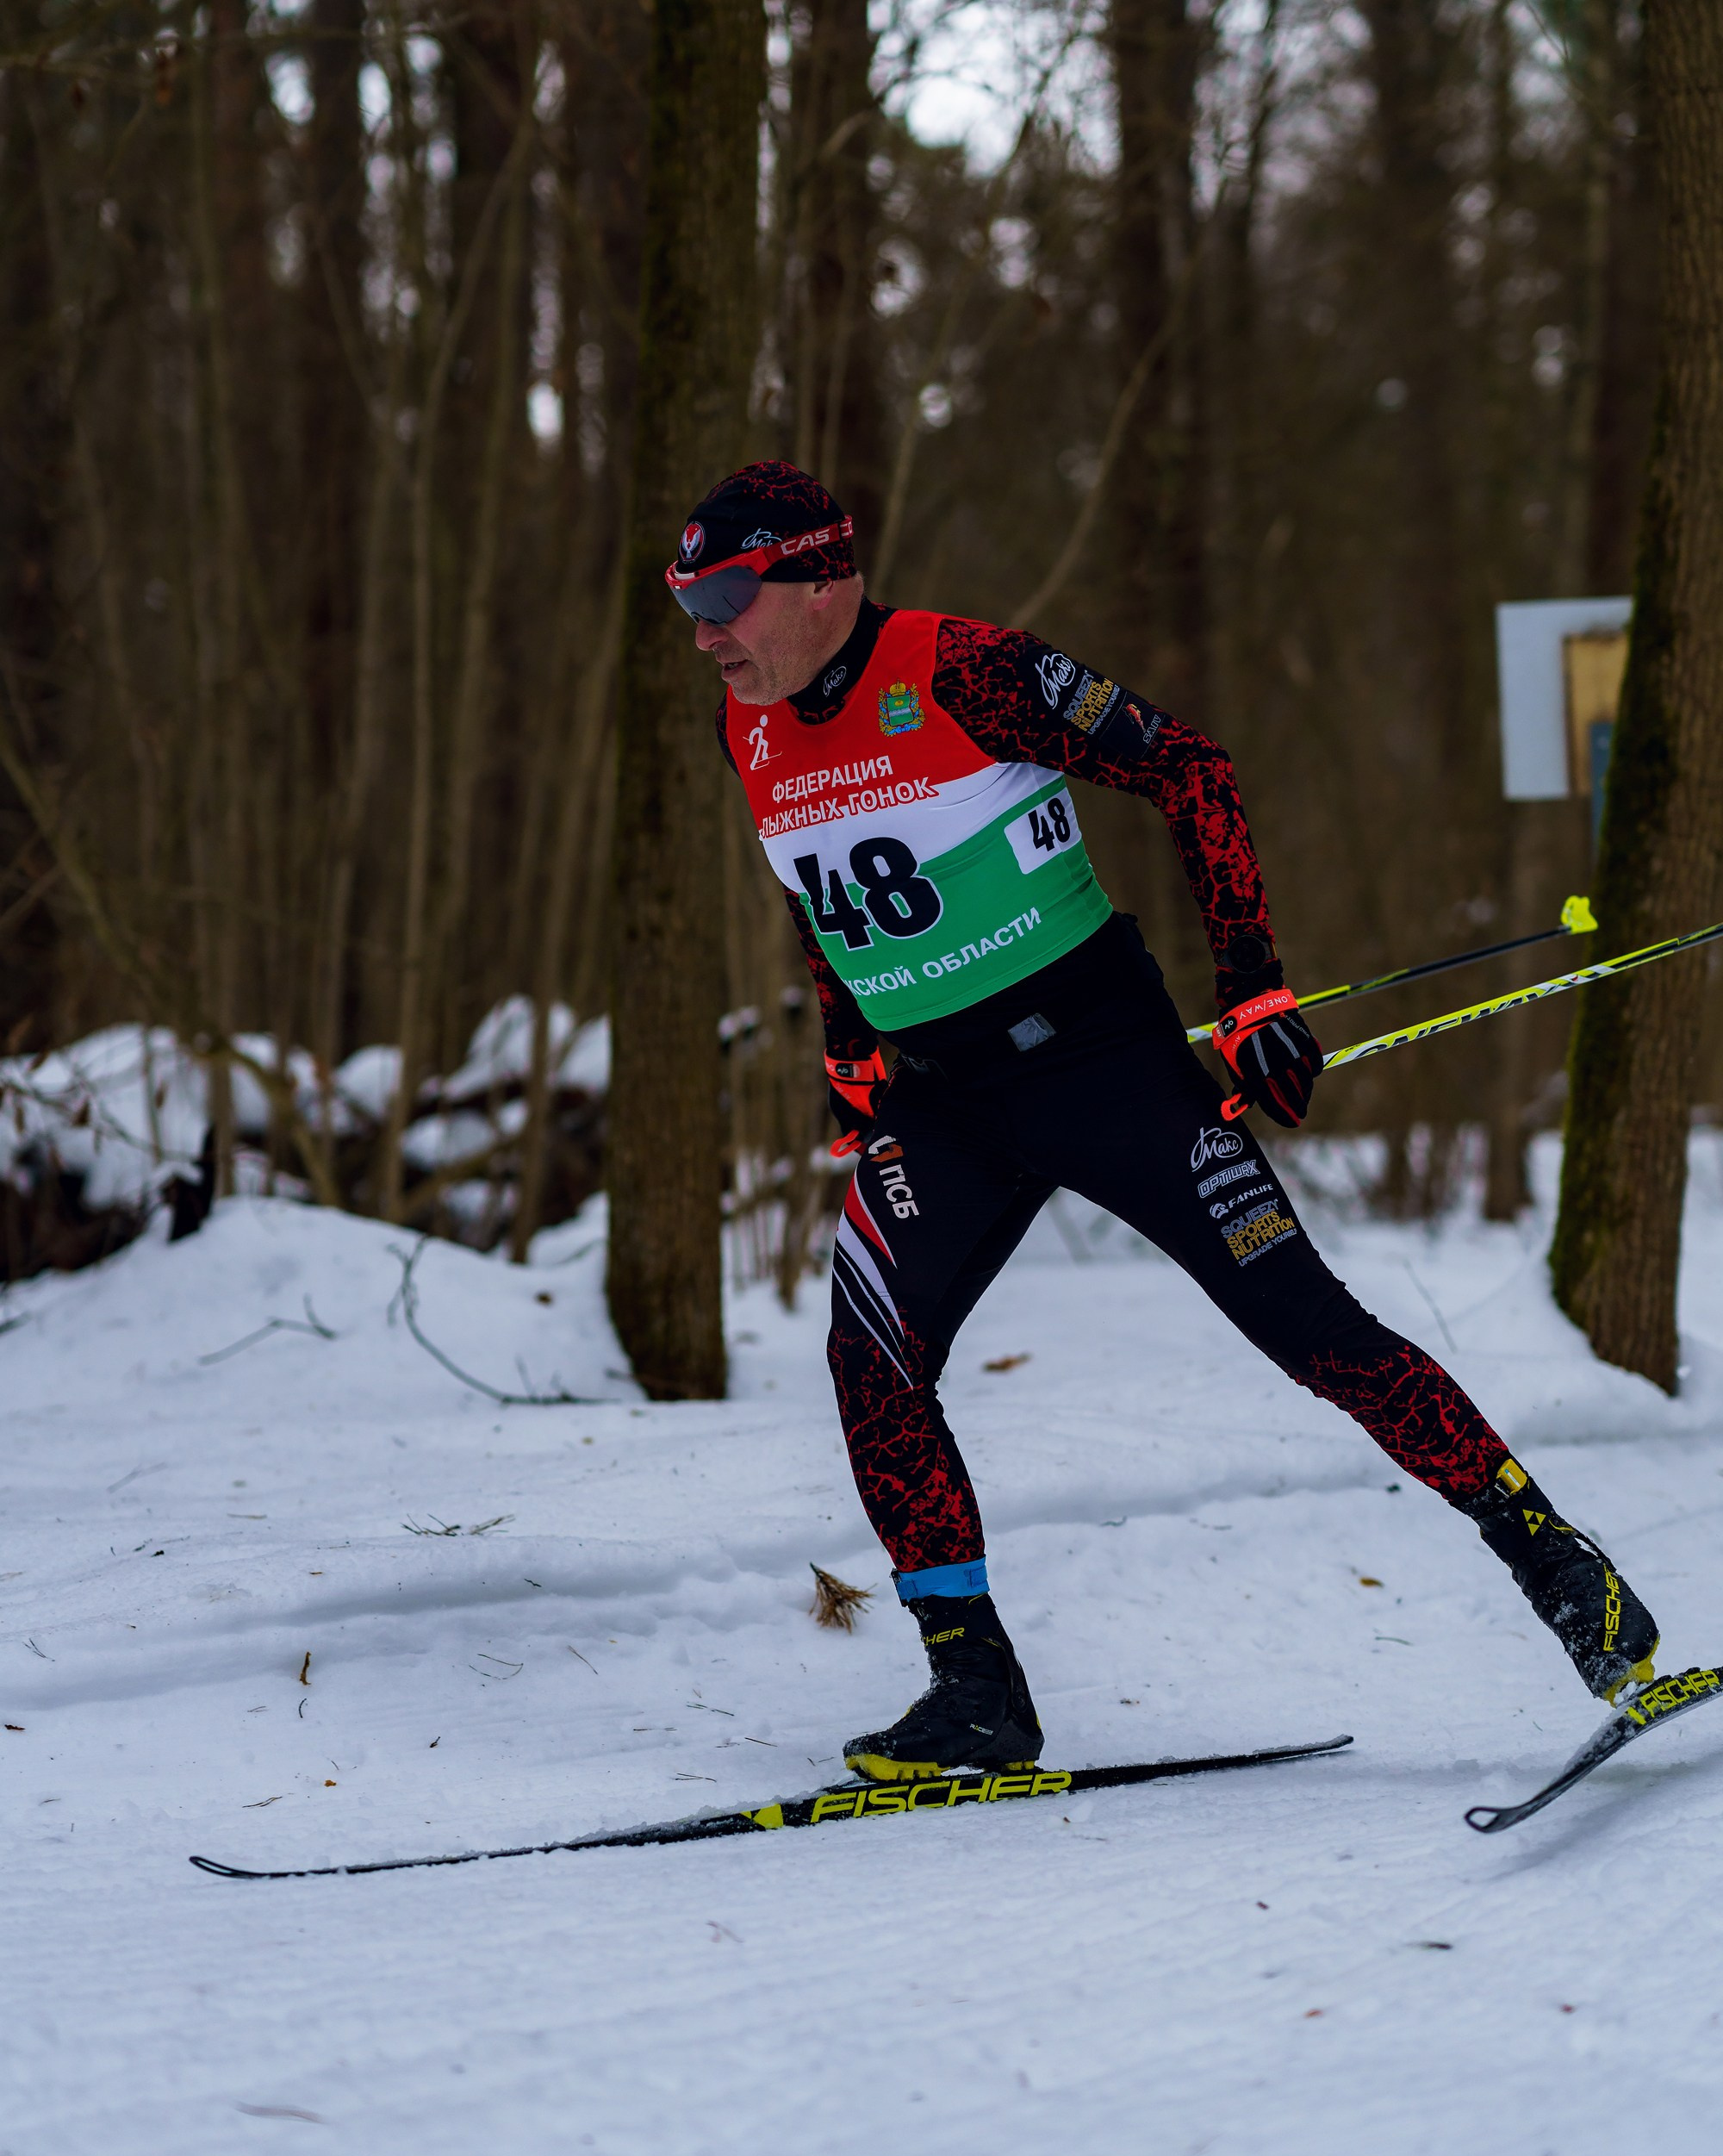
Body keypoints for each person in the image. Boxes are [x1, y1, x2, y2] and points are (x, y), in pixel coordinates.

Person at [666, 459, 1661, 1780]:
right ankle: (975, 1692)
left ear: (822, 577)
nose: (705, 631)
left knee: (1310, 1331)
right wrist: (850, 1049)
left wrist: (1251, 987)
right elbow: (816, 896)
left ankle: (1558, 1567)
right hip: (942, 1099)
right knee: (870, 1362)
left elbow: (1192, 768)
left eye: (727, 594)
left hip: (1102, 1066)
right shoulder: (750, 726)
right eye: (686, 599)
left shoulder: (965, 669)